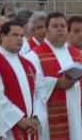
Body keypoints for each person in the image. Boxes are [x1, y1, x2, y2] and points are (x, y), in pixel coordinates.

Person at [25, 12, 82, 140]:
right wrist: (57, 83)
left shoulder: (77, 54)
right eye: (55, 26)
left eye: (63, 26)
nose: (60, 29)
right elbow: (31, 84)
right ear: (47, 30)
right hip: (49, 116)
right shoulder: (33, 56)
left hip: (76, 113)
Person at [0, 21, 46, 140]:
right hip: (9, 128)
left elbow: (38, 93)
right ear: (2, 36)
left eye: (22, 36)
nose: (20, 39)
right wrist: (19, 119)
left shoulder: (28, 64)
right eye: (15, 35)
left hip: (31, 126)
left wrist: (36, 118)